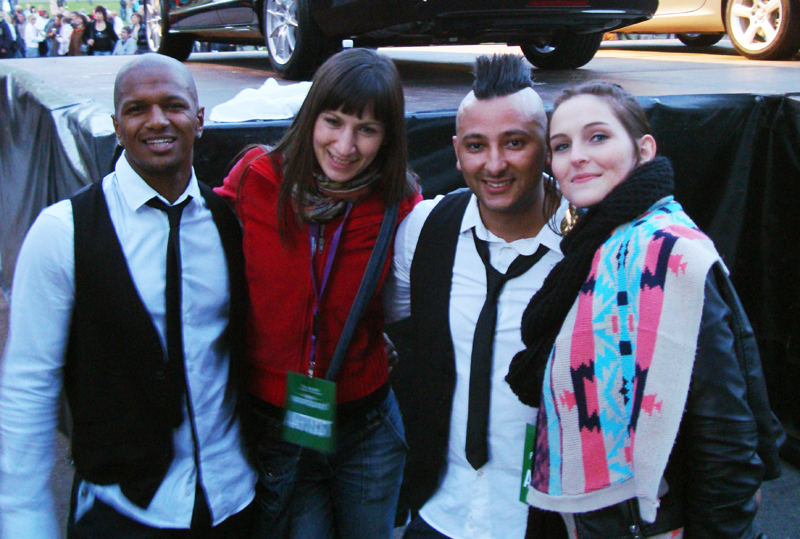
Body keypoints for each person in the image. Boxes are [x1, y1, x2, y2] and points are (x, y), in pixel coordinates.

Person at [505, 81, 785, 538]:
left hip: (651, 521)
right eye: (562, 145)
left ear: (644, 149)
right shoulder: (596, 248)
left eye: (598, 137)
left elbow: (725, 435)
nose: (577, 156)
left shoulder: (668, 254)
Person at [0, 54, 256, 537]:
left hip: (234, 501)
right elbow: (29, 384)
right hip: (123, 511)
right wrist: (24, 517)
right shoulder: (62, 232)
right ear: (117, 126)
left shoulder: (228, 221)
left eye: (173, 105)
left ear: (199, 119)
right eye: (137, 109)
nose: (157, 121)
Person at [215, 47, 421, 539]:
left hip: (367, 426)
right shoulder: (255, 179)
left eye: (367, 130)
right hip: (281, 428)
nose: (345, 145)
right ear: (311, 117)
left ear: (387, 138)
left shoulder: (398, 204)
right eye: (333, 121)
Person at [386, 54, 568, 539]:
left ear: (548, 146)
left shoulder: (588, 245)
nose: (494, 164)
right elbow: (391, 318)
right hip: (439, 511)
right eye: (476, 145)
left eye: (515, 142)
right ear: (456, 151)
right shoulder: (425, 230)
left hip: (545, 520)